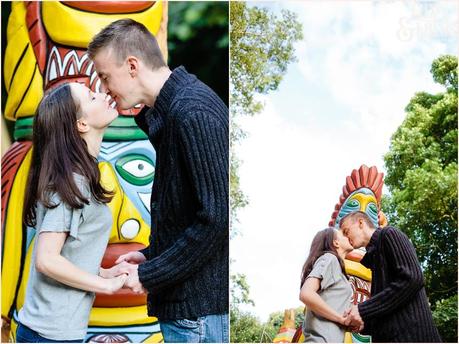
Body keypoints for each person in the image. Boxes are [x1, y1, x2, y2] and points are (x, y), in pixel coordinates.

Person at [87, 19, 229, 343]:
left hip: (198, 316)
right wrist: (152, 255)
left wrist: (151, 273)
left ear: (132, 66)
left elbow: (217, 220)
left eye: (105, 77)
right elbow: (190, 215)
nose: (104, 88)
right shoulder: (174, 113)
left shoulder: (192, 112)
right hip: (190, 313)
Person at [17, 82, 131, 343]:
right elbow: (47, 260)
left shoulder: (77, 178)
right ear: (81, 124)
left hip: (50, 333)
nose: (102, 95)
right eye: (92, 97)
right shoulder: (72, 182)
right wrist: (106, 286)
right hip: (48, 335)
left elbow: (70, 251)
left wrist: (103, 272)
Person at [340, 211, 442, 342]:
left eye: (346, 231)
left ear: (361, 223)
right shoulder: (374, 258)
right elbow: (390, 306)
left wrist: (362, 309)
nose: (345, 237)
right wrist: (364, 323)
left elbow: (413, 278)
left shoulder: (389, 234)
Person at [299, 227, 355, 342]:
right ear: (336, 242)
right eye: (344, 234)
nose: (348, 236)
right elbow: (306, 293)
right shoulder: (330, 258)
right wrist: (340, 319)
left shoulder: (337, 268)